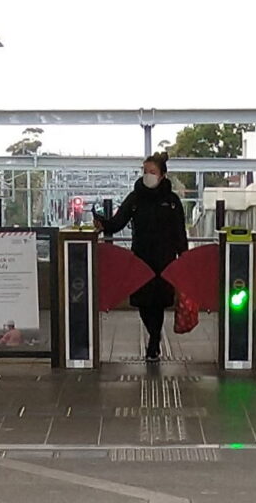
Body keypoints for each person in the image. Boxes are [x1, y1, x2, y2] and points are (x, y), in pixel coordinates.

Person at [95, 152, 188, 362]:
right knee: (144, 303)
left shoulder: (172, 201)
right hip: (141, 260)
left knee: (159, 303)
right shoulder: (135, 198)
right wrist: (103, 223)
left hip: (165, 260)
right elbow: (118, 222)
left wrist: (184, 258)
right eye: (145, 171)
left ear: (163, 175)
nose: (148, 175)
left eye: (152, 172)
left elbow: (179, 232)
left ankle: (154, 342)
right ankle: (155, 335)